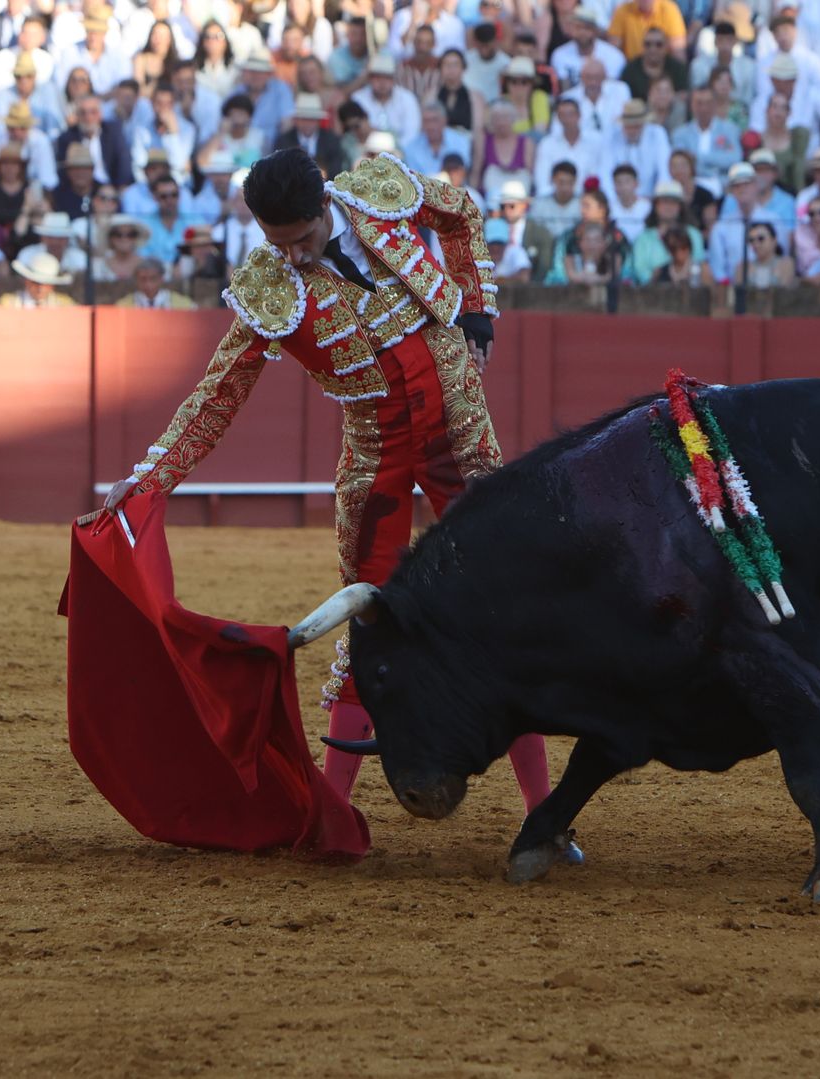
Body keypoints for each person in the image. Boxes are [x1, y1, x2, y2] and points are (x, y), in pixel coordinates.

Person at [101, 148, 570, 845]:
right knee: (365, 618)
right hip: (376, 451)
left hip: (458, 430)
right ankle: (329, 814)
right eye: (277, 243)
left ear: (326, 203)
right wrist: (149, 478)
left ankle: (545, 813)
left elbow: (462, 212)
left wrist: (476, 306)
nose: (292, 256)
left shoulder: (379, 189)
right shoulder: (268, 283)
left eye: (301, 238)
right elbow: (220, 391)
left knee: (502, 604)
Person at [0, 250, 76, 305]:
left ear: (52, 286)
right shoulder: (8, 303)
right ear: (27, 280)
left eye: (46, 283)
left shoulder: (65, 305)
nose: (40, 288)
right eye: (36, 282)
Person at [114, 256, 198, 307]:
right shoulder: (123, 305)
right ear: (136, 280)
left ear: (161, 279)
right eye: (143, 279)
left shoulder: (182, 304)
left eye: (153, 279)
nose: (148, 284)